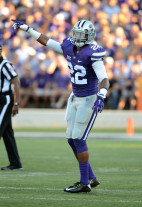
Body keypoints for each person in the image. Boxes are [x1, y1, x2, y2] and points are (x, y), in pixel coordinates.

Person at [12, 19, 109, 192]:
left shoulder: (92, 53)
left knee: (79, 139)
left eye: (81, 35)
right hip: (75, 97)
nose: (77, 37)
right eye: (76, 33)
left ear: (89, 36)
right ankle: (90, 177)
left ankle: (84, 183)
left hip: (89, 99)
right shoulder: (68, 47)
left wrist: (102, 95)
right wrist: (27, 29)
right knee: (71, 139)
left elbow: (104, 79)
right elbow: (46, 41)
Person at [0, 44, 23, 170]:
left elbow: (16, 81)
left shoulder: (5, 65)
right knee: (7, 132)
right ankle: (15, 163)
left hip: (5, 99)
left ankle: (15, 163)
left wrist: (16, 102)